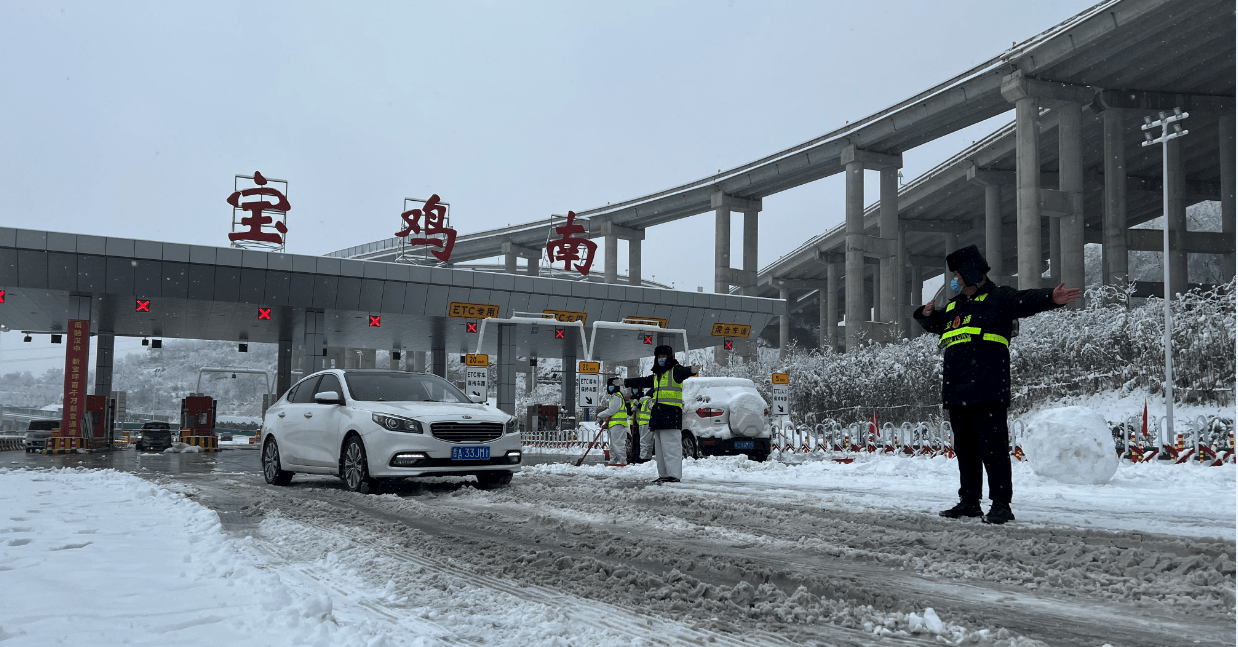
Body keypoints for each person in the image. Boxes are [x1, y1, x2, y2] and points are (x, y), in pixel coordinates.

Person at [915, 245, 1081, 525]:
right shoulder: (954, 307)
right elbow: (934, 325)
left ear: (969, 273)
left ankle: (1001, 504)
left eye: (957, 273)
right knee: (965, 449)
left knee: (993, 448)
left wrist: (1050, 297)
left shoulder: (998, 297)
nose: (954, 278)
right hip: (957, 389)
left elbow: (1024, 301)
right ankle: (969, 501)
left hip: (988, 387)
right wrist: (926, 314)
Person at [624, 345, 698, 483]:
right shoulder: (658, 376)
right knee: (660, 450)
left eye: (664, 356)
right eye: (659, 357)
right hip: (659, 416)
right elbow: (643, 380)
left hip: (671, 415)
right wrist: (625, 382)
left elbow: (684, 372)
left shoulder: (675, 371)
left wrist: (691, 371)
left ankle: (674, 475)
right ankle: (663, 474)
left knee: (671, 448)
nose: (661, 359)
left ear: (669, 357)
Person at [597, 378, 631, 466]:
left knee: (618, 444)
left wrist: (600, 415)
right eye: (609, 386)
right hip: (614, 424)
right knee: (613, 445)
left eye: (612, 386)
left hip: (618, 424)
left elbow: (612, 410)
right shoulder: (614, 397)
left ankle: (621, 461)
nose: (610, 388)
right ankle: (614, 461)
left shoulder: (617, 397)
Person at [633, 388, 654, 463]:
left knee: (645, 442)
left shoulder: (644, 401)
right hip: (647, 423)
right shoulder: (650, 401)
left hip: (642, 423)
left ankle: (646, 458)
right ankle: (644, 459)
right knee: (647, 443)